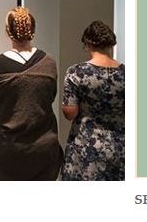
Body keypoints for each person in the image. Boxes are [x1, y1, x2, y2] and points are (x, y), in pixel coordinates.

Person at [0, 6, 63, 181]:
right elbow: (50, 96)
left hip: (9, 147)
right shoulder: (49, 62)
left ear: (8, 31)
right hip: (44, 145)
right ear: (33, 31)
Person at [60, 21, 125, 181]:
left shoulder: (77, 73)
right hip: (120, 147)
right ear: (111, 44)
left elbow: (70, 113)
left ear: (88, 43)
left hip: (85, 148)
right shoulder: (128, 73)